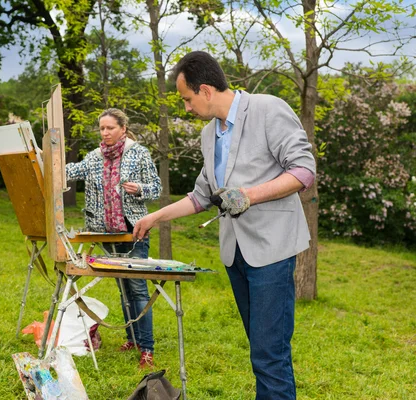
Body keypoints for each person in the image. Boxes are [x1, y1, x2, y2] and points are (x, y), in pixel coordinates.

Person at [133, 51, 316, 398]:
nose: (186, 108)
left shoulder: (267, 109)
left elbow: (303, 171)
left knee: (269, 354)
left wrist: (249, 195)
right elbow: (201, 196)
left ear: (205, 90)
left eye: (187, 99)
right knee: (262, 350)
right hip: (236, 255)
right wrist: (154, 217)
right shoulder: (208, 135)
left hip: (272, 251)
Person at [65, 108, 162, 368]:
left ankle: (147, 349)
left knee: (138, 289)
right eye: (102, 128)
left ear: (123, 128)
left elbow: (156, 188)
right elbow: (70, 171)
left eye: (110, 128)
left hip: (134, 232)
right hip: (106, 233)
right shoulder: (95, 157)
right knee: (123, 288)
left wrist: (140, 189)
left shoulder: (138, 153)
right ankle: (132, 338)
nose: (105, 133)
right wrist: (44, 161)